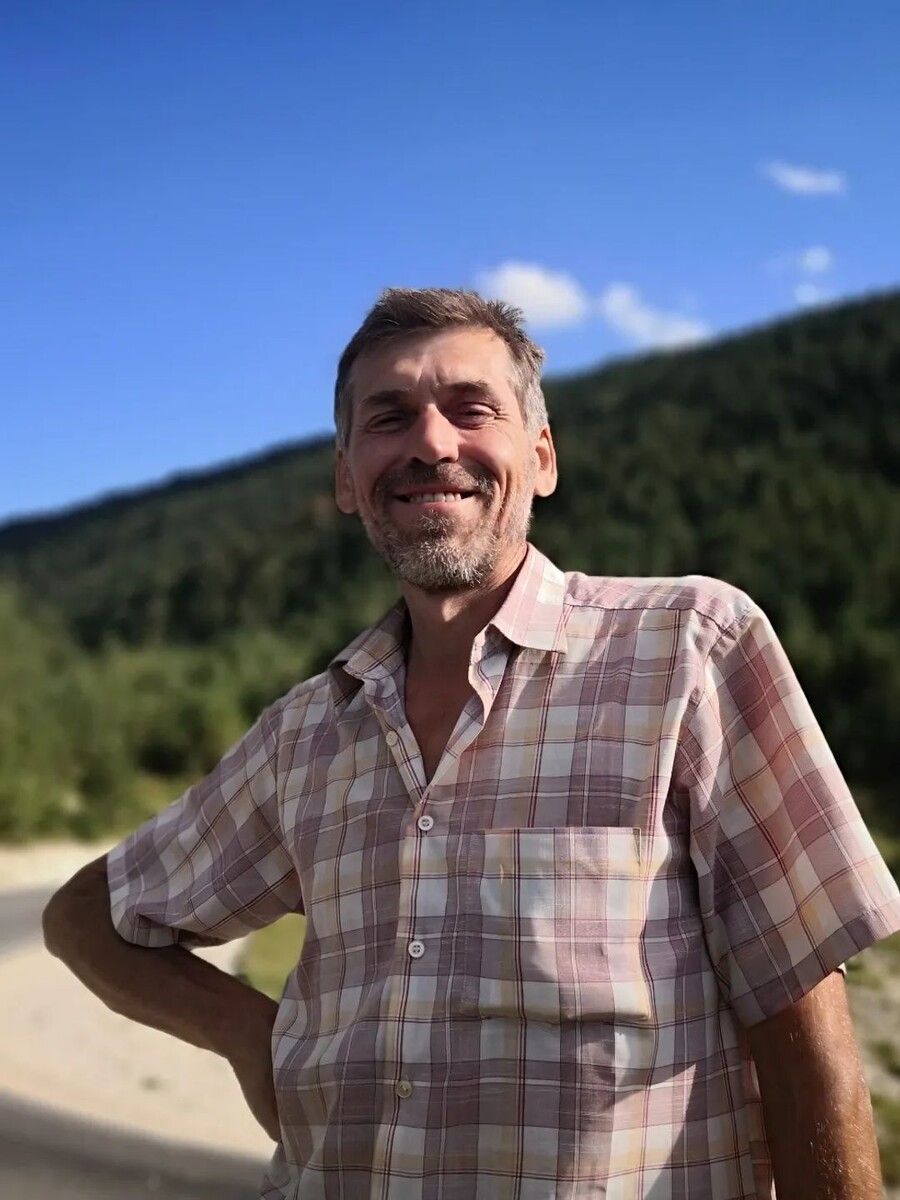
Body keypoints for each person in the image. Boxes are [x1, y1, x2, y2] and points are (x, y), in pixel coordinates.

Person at [44, 287, 900, 1200]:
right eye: (388, 417)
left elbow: (805, 1028)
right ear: (347, 480)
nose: (431, 442)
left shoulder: (688, 649)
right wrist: (249, 1036)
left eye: (471, 408)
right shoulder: (305, 733)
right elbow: (87, 917)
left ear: (542, 457)